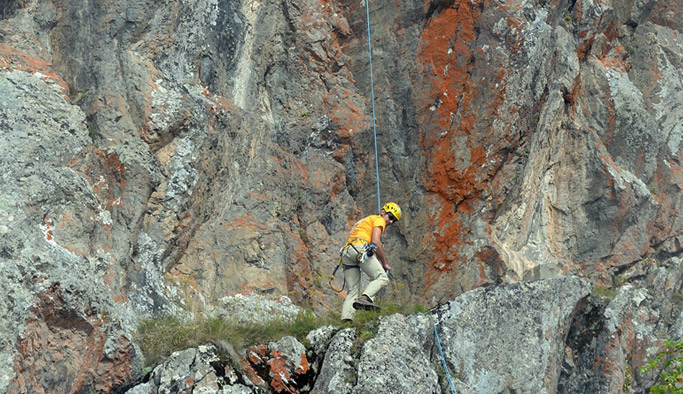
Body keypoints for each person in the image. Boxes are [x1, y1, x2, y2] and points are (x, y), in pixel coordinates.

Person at [340, 202, 402, 321]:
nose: (391, 221)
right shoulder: (379, 219)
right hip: (359, 249)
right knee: (382, 278)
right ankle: (365, 298)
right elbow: (375, 241)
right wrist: (384, 263)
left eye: (394, 220)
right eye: (390, 217)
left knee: (352, 291)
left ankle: (346, 321)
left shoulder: (366, 221)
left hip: (348, 253)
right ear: (383, 212)